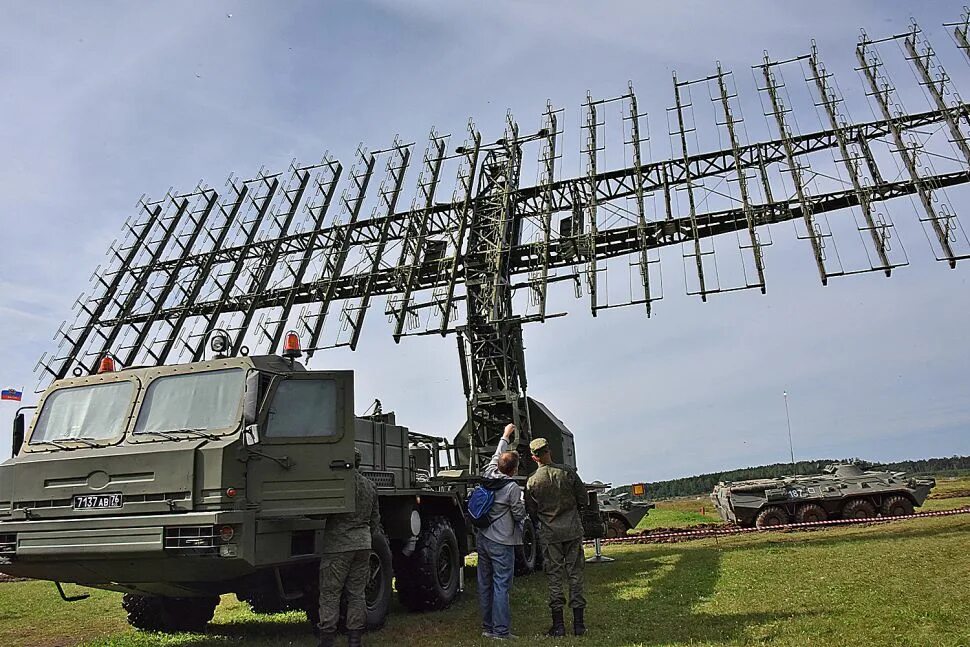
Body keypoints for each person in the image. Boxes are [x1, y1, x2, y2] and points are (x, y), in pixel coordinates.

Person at [318, 448, 381, 647]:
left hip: (338, 546)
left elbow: (321, 514)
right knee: (357, 593)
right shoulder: (370, 486)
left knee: (330, 593)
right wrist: (364, 538)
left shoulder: (339, 486)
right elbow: (375, 520)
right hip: (363, 545)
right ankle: (355, 640)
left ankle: (327, 639)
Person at [525, 437, 588, 637]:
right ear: (549, 451)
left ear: (534, 457)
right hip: (571, 530)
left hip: (550, 533)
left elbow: (531, 510)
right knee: (575, 574)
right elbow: (583, 499)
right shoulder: (567, 473)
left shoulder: (533, 481)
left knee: (554, 577)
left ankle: (558, 625)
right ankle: (579, 625)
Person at [477, 423, 528, 640]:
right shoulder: (511, 488)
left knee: (485, 583)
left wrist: (505, 435)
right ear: (514, 470)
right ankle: (501, 631)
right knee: (501, 585)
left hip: (483, 538)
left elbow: (497, 455)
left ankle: (488, 627)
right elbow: (518, 515)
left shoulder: (488, 473)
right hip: (502, 541)